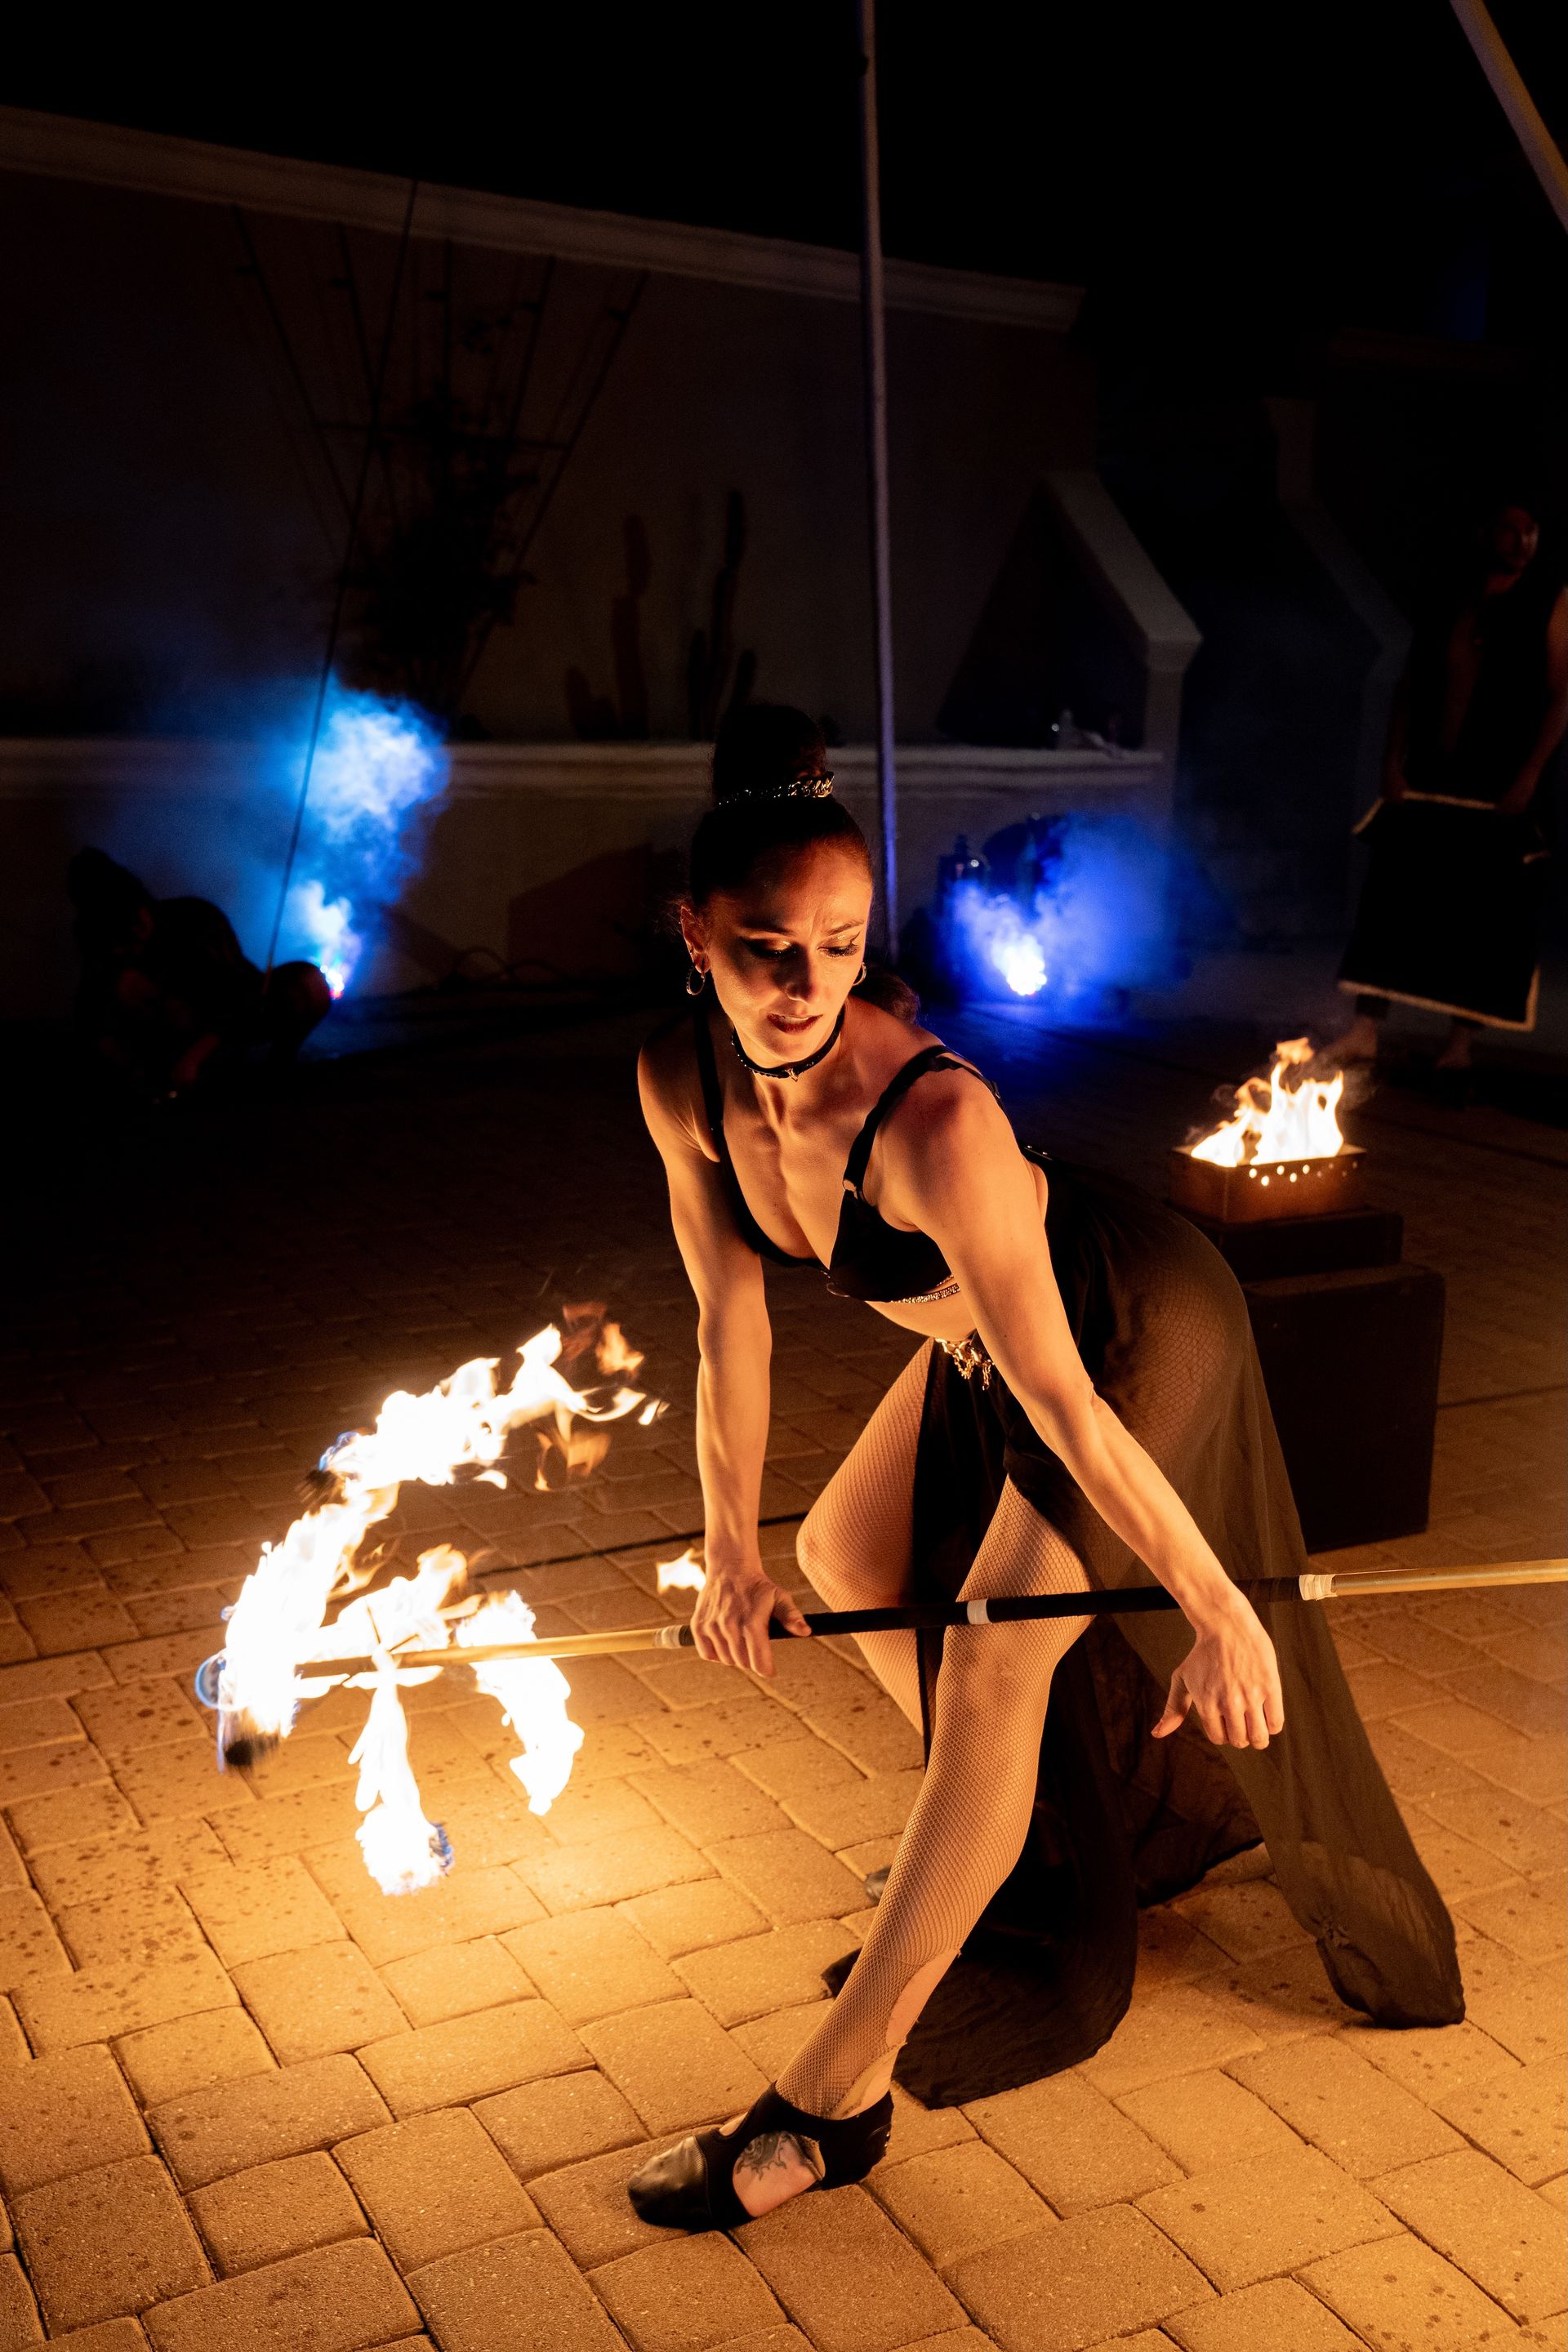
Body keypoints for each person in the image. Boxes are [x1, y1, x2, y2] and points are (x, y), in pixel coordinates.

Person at [628, 703, 1461, 2233]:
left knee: (1001, 1669)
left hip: (1126, 1330)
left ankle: (834, 2099)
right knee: (849, 1564)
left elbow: (1074, 1410)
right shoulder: (679, 1083)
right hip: (988, 1352)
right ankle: (1029, 1834)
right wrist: (726, 1546)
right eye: (766, 947)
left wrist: (1213, 1601)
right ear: (697, 936)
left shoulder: (933, 1117)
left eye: (840, 941)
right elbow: (725, 1329)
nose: (807, 984)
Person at [1338, 492, 1568, 1073]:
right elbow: (1412, 684)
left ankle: (1459, 1045)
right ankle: (1366, 1028)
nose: (1521, 541)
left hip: (1501, 778)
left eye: (1531, 530)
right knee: (1394, 893)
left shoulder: (1551, 602)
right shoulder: (1451, 597)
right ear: (1486, 534)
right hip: (1432, 773)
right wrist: (1393, 760)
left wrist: (1531, 774)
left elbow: (1564, 696)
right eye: (1510, 529)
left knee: (1485, 912)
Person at [69, 849, 332, 1097]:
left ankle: (275, 1069)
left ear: (141, 914)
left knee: (311, 982)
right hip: (176, 1035)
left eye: (133, 928)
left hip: (241, 1017)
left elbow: (240, 999)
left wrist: (195, 1055)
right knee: (126, 984)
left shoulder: (194, 918)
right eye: (120, 942)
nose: (132, 942)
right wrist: (133, 1068)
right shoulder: (106, 948)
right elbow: (91, 1018)